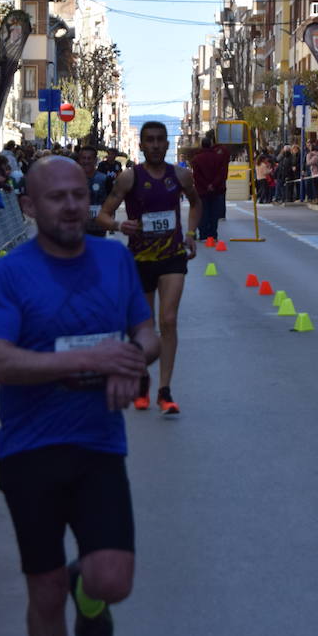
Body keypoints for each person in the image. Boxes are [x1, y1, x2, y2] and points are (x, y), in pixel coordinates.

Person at [0, 156, 160, 636]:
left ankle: (89, 591)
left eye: (79, 194)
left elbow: (147, 334)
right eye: (57, 197)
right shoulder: (10, 275)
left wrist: (130, 359)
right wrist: (90, 358)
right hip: (29, 451)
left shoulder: (115, 261)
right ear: (29, 206)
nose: (71, 206)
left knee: (114, 580)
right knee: (44, 591)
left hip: (97, 444)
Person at [97, 122, 200, 416]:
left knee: (168, 320)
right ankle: (142, 379)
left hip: (172, 257)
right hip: (140, 260)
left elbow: (196, 204)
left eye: (160, 140)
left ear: (167, 144)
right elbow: (103, 215)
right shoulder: (129, 178)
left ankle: (165, 390)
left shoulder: (180, 175)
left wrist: (191, 234)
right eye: (149, 141)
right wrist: (119, 224)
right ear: (141, 146)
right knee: (145, 327)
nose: (155, 145)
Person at [188, 132, 231, 241]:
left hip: (202, 191)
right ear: (211, 145)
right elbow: (221, 173)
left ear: (202, 145)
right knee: (214, 213)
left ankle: (203, 234)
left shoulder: (196, 159)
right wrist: (213, 185)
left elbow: (196, 176)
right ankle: (213, 235)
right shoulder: (218, 157)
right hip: (215, 190)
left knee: (203, 213)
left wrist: (206, 185)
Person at [75, 145, 114, 238]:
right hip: (77, 227)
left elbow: (111, 201)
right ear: (79, 160)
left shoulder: (104, 179)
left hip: (98, 228)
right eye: (83, 158)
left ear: (95, 160)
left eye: (89, 158)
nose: (86, 161)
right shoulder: (72, 179)